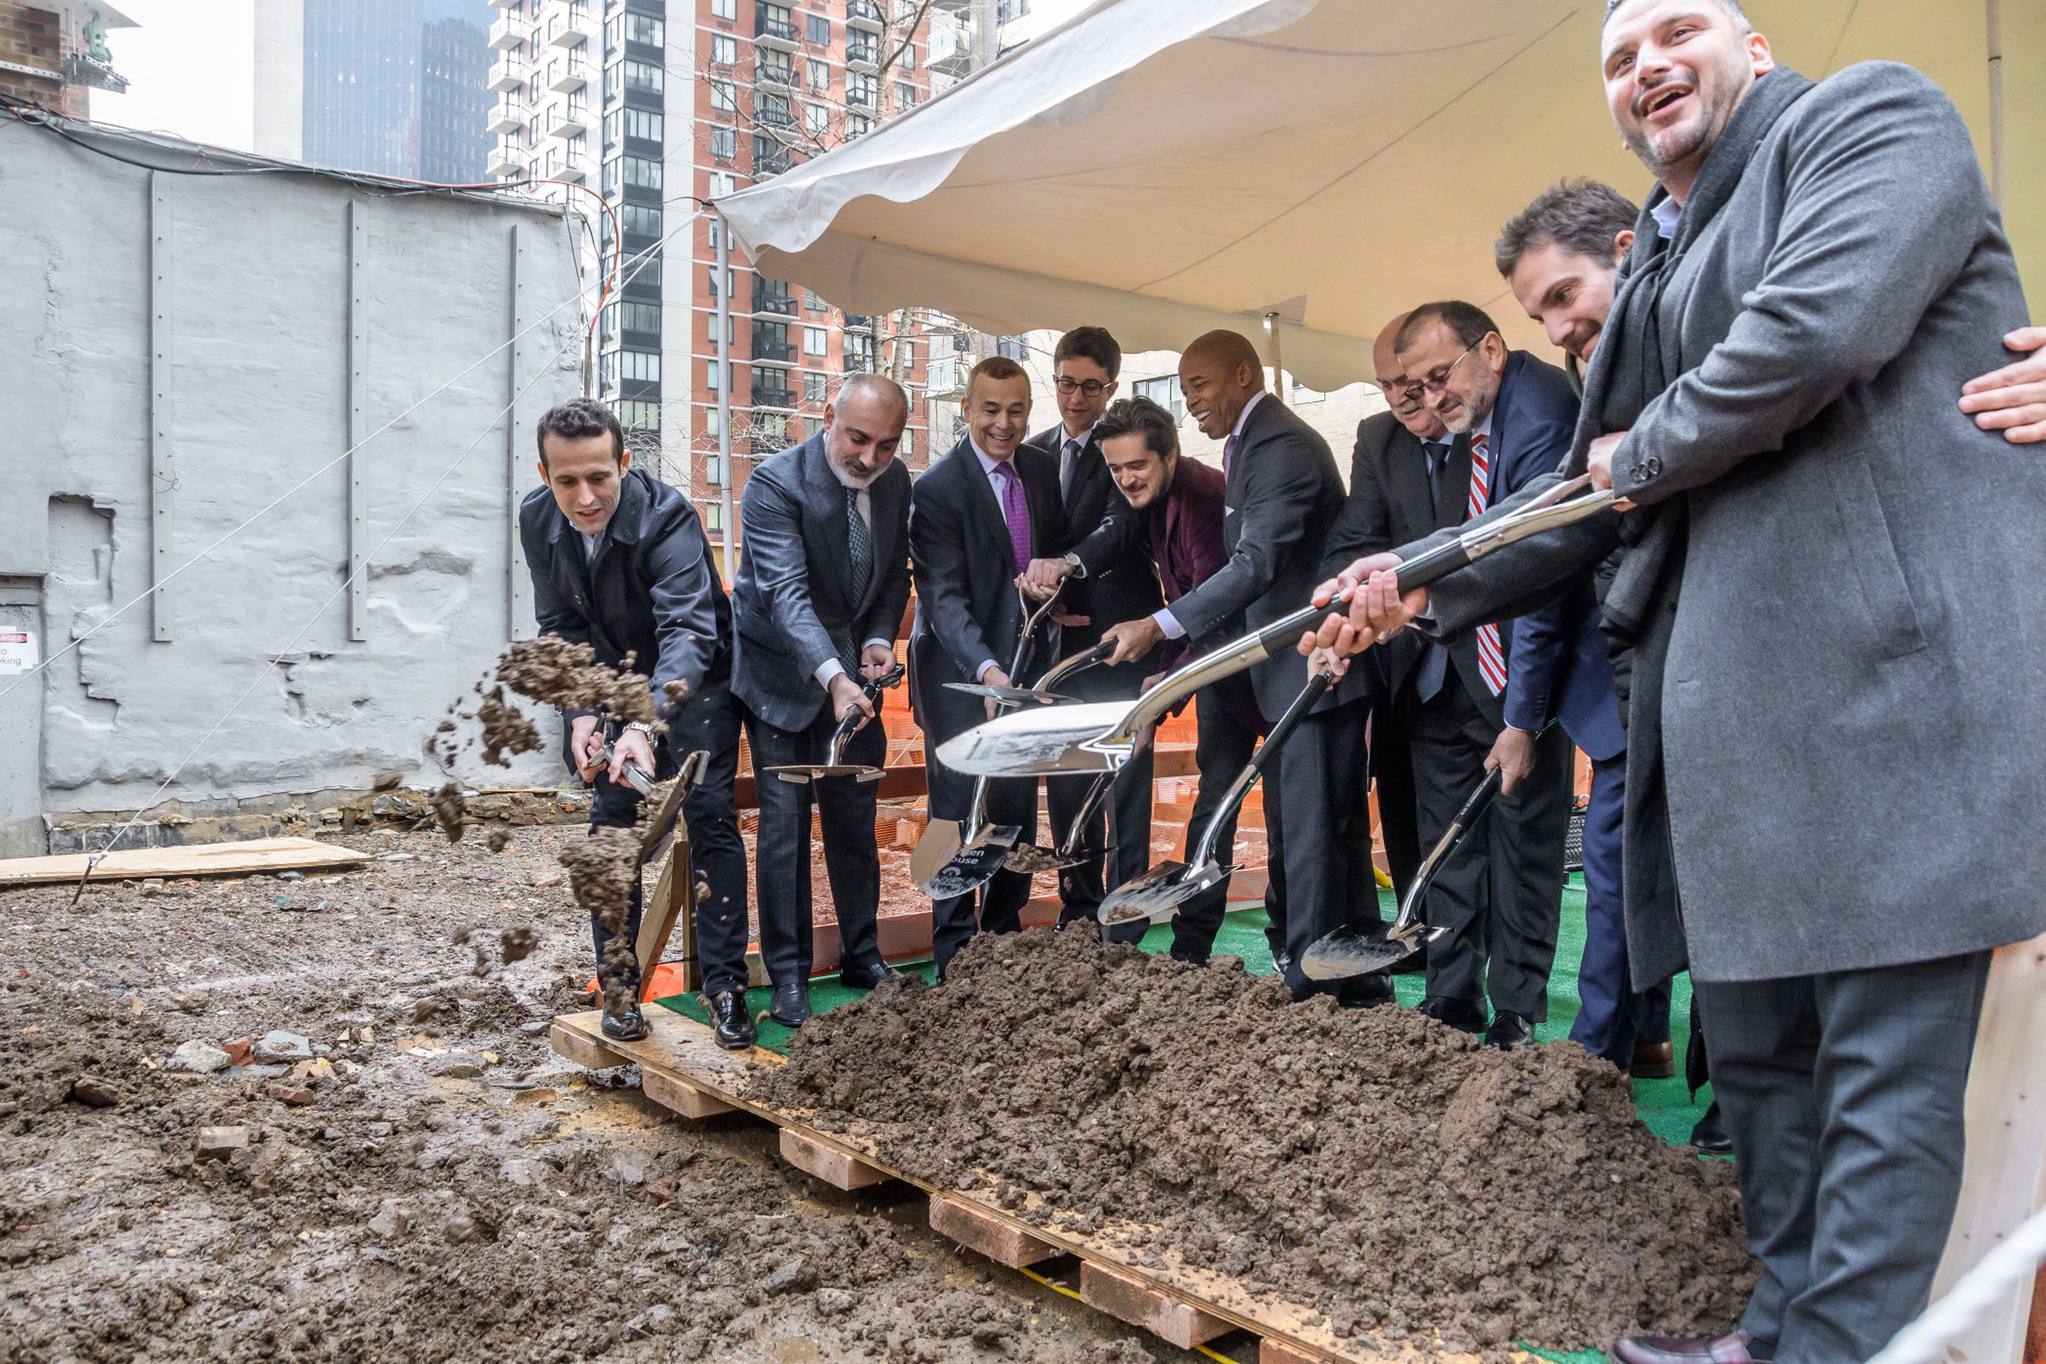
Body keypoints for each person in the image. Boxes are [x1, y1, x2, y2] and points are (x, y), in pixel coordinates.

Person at [1314, 4, 2046, 1360]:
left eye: (1675, 28)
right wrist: (1416, 577)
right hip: (1735, 734)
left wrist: (1636, 451)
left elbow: (1813, 333)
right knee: (1763, 1064)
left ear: (1750, 47)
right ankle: (1772, 1333)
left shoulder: (1866, 120)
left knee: (1878, 1075)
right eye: (1614, 56)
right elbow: (1576, 495)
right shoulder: (1654, 250)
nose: (1644, 63)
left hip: (1887, 700)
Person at [1084, 331, 1378, 1002]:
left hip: (1308, 673)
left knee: (1308, 841)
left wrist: (1161, 632)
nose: (1192, 403)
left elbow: (1255, 567)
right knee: (1315, 833)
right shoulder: (1248, 446)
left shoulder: (1279, 446)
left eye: (1200, 386)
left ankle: (1315, 988)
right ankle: (1347, 985)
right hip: (1279, 678)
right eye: (1184, 391)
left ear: (1244, 374)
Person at [1320, 302, 1579, 1046]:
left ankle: (1519, 1011)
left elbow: (1533, 562)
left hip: (1521, 676)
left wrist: (1524, 715)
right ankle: (1452, 998)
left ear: (1481, 358)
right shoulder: (1380, 442)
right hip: (1428, 680)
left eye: (1424, 380)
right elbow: (1359, 541)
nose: (1415, 398)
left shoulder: (1498, 427)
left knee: (1526, 849)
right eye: (1394, 385)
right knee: (1444, 851)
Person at [1495, 179, 1679, 1081]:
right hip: (1623, 684)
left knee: (1633, 882)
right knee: (1630, 874)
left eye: (1564, 296)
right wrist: (1420, 584)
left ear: (1624, 248)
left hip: (1680, 671)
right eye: (1543, 315)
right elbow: (1556, 530)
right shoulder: (1591, 380)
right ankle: (1639, 1039)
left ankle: (1602, 1057)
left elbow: (1561, 557)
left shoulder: (1683, 348)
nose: (1560, 329)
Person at [519, 397, 750, 1048]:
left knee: (709, 824)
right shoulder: (537, 520)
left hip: (696, 680)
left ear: (625, 462)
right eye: (567, 481)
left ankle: (726, 991)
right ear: (545, 476)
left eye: (600, 476)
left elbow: (686, 629)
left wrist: (644, 728)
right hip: (616, 678)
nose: (586, 497)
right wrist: (583, 717)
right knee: (612, 831)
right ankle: (619, 989)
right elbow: (560, 627)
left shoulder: (669, 516)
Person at [1040, 395, 1263, 962]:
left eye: (1136, 466)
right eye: (1115, 469)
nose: (1125, 480)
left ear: (1169, 454)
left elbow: (1217, 610)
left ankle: (1243, 943)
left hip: (1259, 670)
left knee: (1257, 808)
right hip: (1214, 672)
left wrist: (1160, 689)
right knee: (1215, 803)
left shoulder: (1207, 499)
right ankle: (1189, 949)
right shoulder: (1152, 499)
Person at [730, 374, 914, 1028]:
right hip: (782, 675)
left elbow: (892, 575)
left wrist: (875, 642)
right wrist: (832, 676)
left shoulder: (896, 485)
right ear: (827, 413)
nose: (869, 459)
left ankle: (862, 957)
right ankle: (787, 978)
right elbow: (785, 596)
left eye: (886, 447)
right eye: (858, 439)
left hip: (853, 681)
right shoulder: (775, 484)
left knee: (852, 821)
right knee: (784, 830)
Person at [907, 356, 1061, 979]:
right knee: (955, 813)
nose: (1004, 423)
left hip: (1029, 672)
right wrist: (988, 672)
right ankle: (953, 955)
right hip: (961, 678)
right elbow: (943, 598)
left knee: (1015, 811)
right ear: (966, 410)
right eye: (991, 409)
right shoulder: (937, 489)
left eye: (1017, 409)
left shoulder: (1043, 472)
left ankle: (1002, 943)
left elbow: (1048, 560)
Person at [1019, 328, 1164, 941]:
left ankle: (1123, 919)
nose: (1077, 397)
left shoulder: (1123, 454)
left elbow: (1119, 529)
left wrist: (1071, 566)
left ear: (1111, 388)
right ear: (1053, 380)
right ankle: (1078, 908)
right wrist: (1042, 596)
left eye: (1091, 386)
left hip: (1125, 643)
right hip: (1061, 647)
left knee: (1124, 782)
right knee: (1070, 780)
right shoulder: (1033, 452)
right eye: (1066, 383)